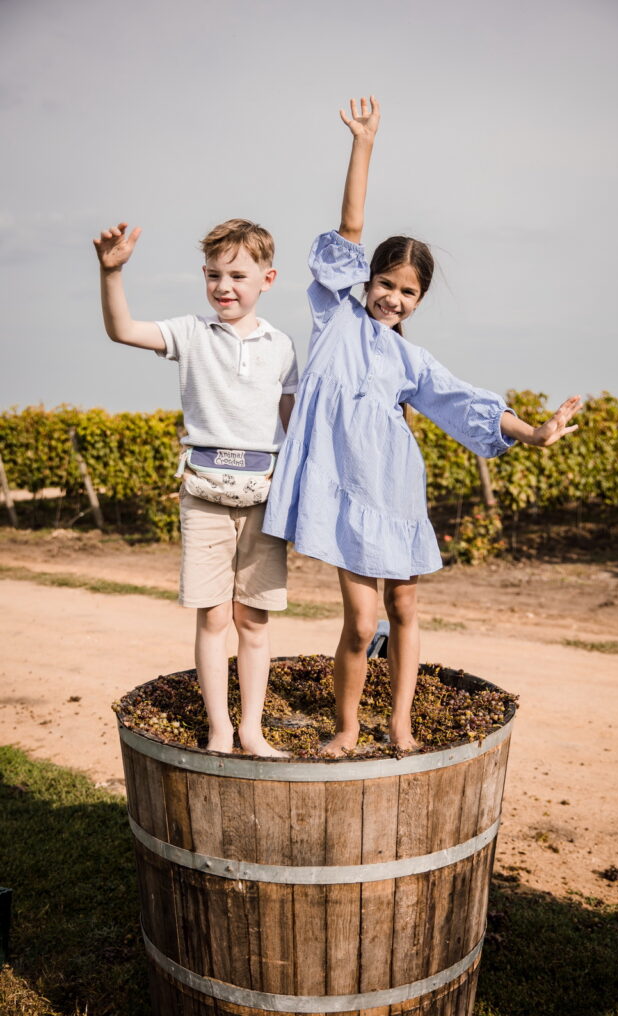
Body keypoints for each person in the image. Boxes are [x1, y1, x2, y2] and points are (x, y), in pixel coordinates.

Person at [263, 96, 582, 756]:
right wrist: (364, 145)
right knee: (361, 622)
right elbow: (350, 227)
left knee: (404, 609)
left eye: (407, 291)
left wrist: (535, 432)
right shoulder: (335, 317)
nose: (393, 297)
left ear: (419, 299)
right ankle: (347, 728)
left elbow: (465, 402)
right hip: (344, 496)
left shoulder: (411, 359)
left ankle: (400, 723)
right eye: (385, 283)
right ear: (366, 280)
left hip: (397, 494)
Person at [93, 218, 298, 757]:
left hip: (264, 501)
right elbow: (122, 330)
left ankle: (251, 730)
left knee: (253, 619)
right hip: (203, 497)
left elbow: (293, 424)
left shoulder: (282, 346)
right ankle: (220, 729)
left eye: (237, 275)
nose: (223, 287)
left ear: (268, 279)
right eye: (213, 275)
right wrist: (111, 273)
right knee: (213, 617)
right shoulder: (189, 332)